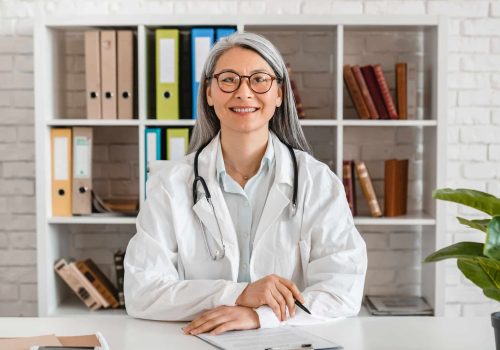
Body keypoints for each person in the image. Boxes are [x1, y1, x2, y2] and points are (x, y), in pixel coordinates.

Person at [124, 32, 367, 336]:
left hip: (290, 340)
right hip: (196, 341)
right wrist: (238, 294)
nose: (244, 92)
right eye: (228, 79)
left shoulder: (318, 182)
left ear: (279, 93)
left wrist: (259, 316)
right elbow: (141, 292)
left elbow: (342, 291)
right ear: (209, 93)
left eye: (259, 79)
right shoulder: (171, 185)